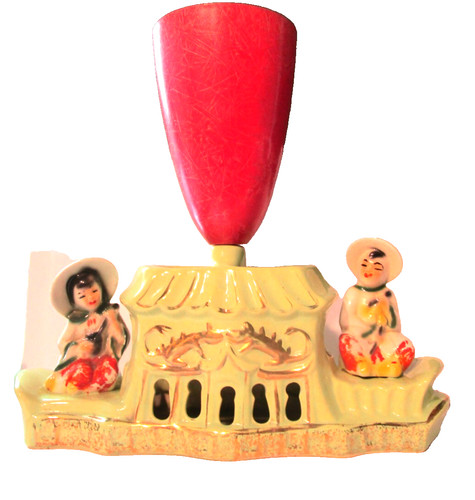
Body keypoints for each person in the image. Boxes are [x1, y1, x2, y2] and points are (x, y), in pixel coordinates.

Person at [45, 258, 129, 393]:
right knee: (80, 372)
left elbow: (120, 339)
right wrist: (78, 348)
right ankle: (77, 389)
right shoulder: (76, 321)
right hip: (81, 361)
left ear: (102, 290)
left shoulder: (108, 314)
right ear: (74, 301)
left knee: (109, 373)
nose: (90, 298)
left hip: (102, 360)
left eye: (94, 291)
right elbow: (62, 343)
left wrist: (112, 319)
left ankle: (92, 390)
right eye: (82, 296)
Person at [339, 238, 415, 377]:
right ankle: (360, 365)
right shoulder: (353, 293)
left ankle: (388, 366)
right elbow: (346, 322)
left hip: (382, 339)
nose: (369, 271)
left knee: (405, 345)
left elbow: (395, 327)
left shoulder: (388, 295)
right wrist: (368, 325)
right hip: (360, 337)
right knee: (347, 341)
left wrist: (386, 318)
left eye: (377, 268)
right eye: (364, 265)